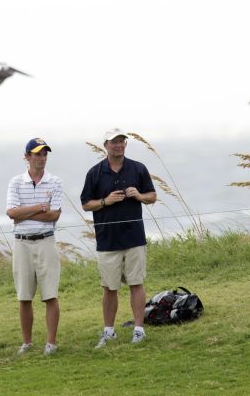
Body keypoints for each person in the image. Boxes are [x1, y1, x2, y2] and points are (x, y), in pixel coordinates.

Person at [81, 128, 157, 348]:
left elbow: (152, 196)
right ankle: (109, 331)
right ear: (105, 145)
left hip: (134, 237)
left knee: (136, 283)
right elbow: (86, 204)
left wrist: (139, 196)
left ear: (125, 144)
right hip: (107, 240)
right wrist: (106, 201)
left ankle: (139, 330)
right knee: (109, 287)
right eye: (114, 142)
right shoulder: (95, 173)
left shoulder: (138, 168)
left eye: (122, 141)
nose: (118, 145)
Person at [6, 138, 64, 356]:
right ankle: (28, 342)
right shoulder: (16, 182)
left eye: (44, 154)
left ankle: (51, 343)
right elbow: (12, 213)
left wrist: (24, 212)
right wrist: (40, 207)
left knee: (50, 294)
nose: (42, 158)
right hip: (22, 242)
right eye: (37, 154)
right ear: (27, 157)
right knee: (24, 296)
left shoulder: (55, 181)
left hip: (45, 240)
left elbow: (54, 214)